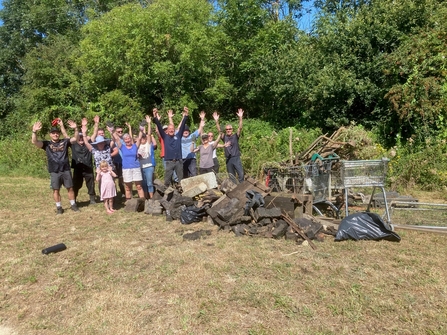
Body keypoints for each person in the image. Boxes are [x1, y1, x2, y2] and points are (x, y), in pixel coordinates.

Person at [31, 119, 80, 214]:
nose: (55, 134)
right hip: (54, 171)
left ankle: (73, 205)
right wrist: (34, 131)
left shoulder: (65, 142)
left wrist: (76, 129)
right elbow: (35, 142)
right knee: (56, 190)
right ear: (50, 135)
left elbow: (76, 139)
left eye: (57, 133)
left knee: (70, 188)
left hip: (65, 169)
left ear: (59, 134)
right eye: (53, 133)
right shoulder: (47, 144)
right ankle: (59, 208)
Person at [153, 106, 189, 187]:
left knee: (180, 180)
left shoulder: (178, 135)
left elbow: (183, 125)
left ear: (174, 129)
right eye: (170, 129)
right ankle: (166, 194)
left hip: (178, 161)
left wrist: (186, 115)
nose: (171, 130)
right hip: (169, 161)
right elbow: (159, 126)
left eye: (172, 129)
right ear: (167, 130)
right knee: (167, 180)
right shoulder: (165, 137)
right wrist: (155, 116)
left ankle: (181, 194)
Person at [112, 125, 145, 200]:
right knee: (128, 187)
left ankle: (143, 202)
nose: (127, 140)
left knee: (139, 186)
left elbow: (139, 138)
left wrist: (141, 129)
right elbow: (117, 139)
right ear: (124, 140)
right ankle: (128, 203)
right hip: (126, 169)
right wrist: (112, 130)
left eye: (129, 138)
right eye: (126, 139)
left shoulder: (135, 146)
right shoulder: (122, 147)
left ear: (131, 139)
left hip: (136, 168)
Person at [213, 109, 245, 183]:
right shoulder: (225, 137)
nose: (228, 130)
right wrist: (216, 121)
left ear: (232, 129)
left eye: (230, 129)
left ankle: (242, 188)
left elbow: (240, 128)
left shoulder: (235, 136)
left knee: (241, 174)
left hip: (236, 157)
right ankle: (234, 190)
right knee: (231, 176)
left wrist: (240, 118)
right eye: (227, 129)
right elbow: (219, 131)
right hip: (228, 159)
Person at [70, 118, 96, 204]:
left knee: (91, 184)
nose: (81, 139)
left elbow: (94, 134)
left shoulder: (88, 143)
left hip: (88, 167)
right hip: (78, 168)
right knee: (76, 185)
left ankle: (92, 199)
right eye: (79, 137)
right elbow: (66, 135)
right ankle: (74, 199)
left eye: (82, 137)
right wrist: (62, 126)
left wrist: (96, 123)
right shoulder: (73, 144)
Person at [181, 111, 205, 178]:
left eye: (187, 131)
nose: (185, 132)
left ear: (189, 131)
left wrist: (202, 119)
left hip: (192, 158)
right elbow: (177, 129)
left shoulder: (192, 136)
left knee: (193, 174)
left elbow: (200, 129)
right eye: (184, 131)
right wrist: (183, 117)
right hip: (183, 159)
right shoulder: (179, 137)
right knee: (184, 175)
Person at [138, 115, 157, 199]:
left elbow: (149, 134)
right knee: (143, 183)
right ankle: (145, 198)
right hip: (141, 167)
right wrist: (141, 129)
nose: (143, 139)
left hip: (149, 166)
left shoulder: (148, 144)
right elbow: (137, 137)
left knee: (149, 183)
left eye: (144, 138)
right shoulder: (137, 146)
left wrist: (149, 123)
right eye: (141, 138)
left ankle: (151, 198)